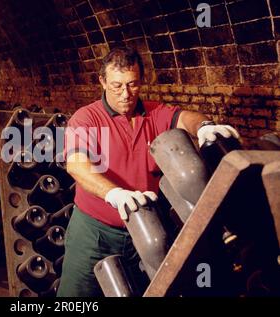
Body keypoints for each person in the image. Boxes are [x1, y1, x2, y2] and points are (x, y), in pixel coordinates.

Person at [57, 48, 240, 297]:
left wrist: (205, 126)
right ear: (102, 81)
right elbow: (76, 164)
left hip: (145, 230)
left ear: (142, 81)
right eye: (117, 85)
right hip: (95, 232)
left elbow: (186, 117)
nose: (125, 94)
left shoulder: (154, 113)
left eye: (132, 84)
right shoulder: (86, 118)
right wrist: (114, 193)